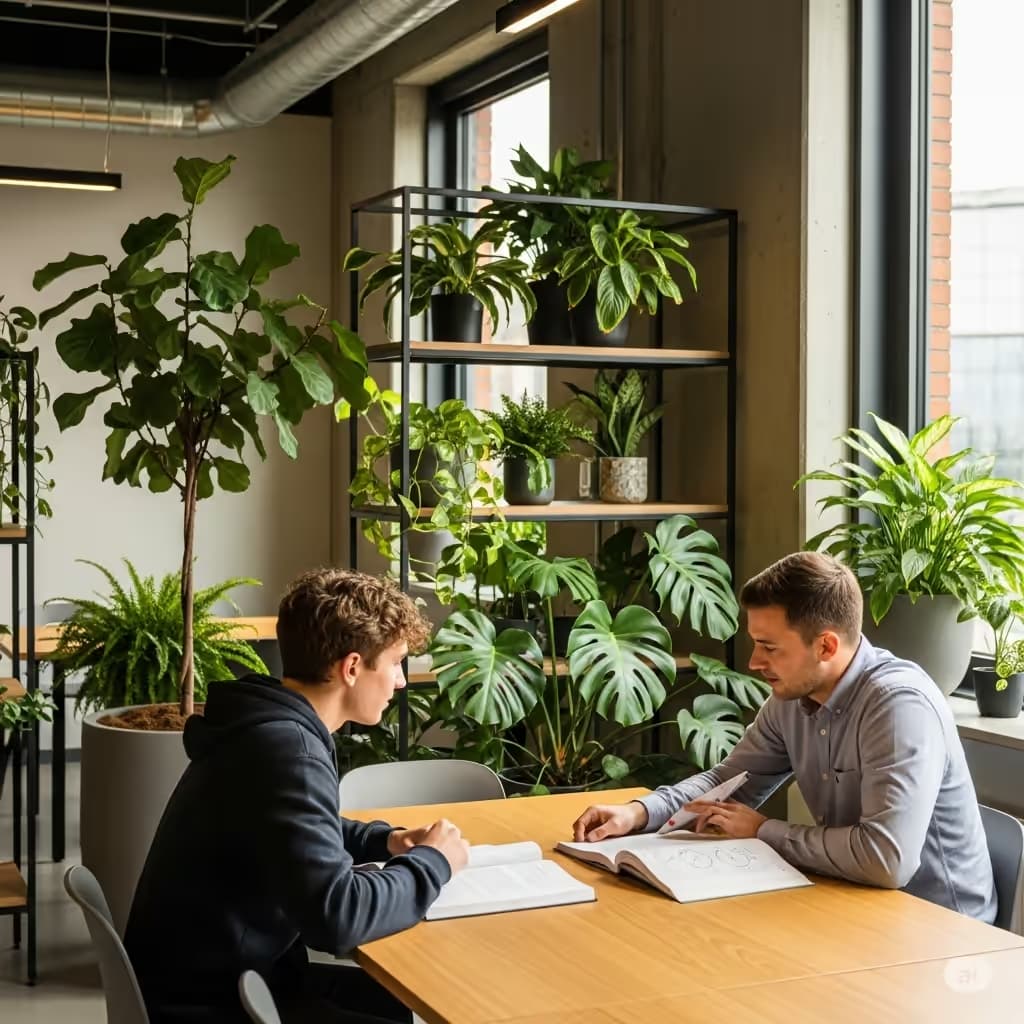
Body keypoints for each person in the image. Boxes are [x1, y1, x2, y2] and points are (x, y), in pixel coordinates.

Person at [571, 551, 996, 922]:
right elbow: (727, 783)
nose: (754, 662)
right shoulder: (794, 696)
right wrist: (638, 813)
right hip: (851, 903)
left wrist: (762, 831)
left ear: (826, 647)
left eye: (769, 647)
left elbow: (887, 860)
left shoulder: (898, 707)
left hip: (942, 929)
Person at [125, 568, 469, 1023]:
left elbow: (285, 828)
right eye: (395, 663)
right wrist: (433, 863)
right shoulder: (291, 751)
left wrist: (384, 841)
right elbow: (337, 918)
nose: (401, 681)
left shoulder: (264, 724)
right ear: (351, 667)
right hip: (216, 1001)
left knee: (397, 999)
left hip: (218, 976)